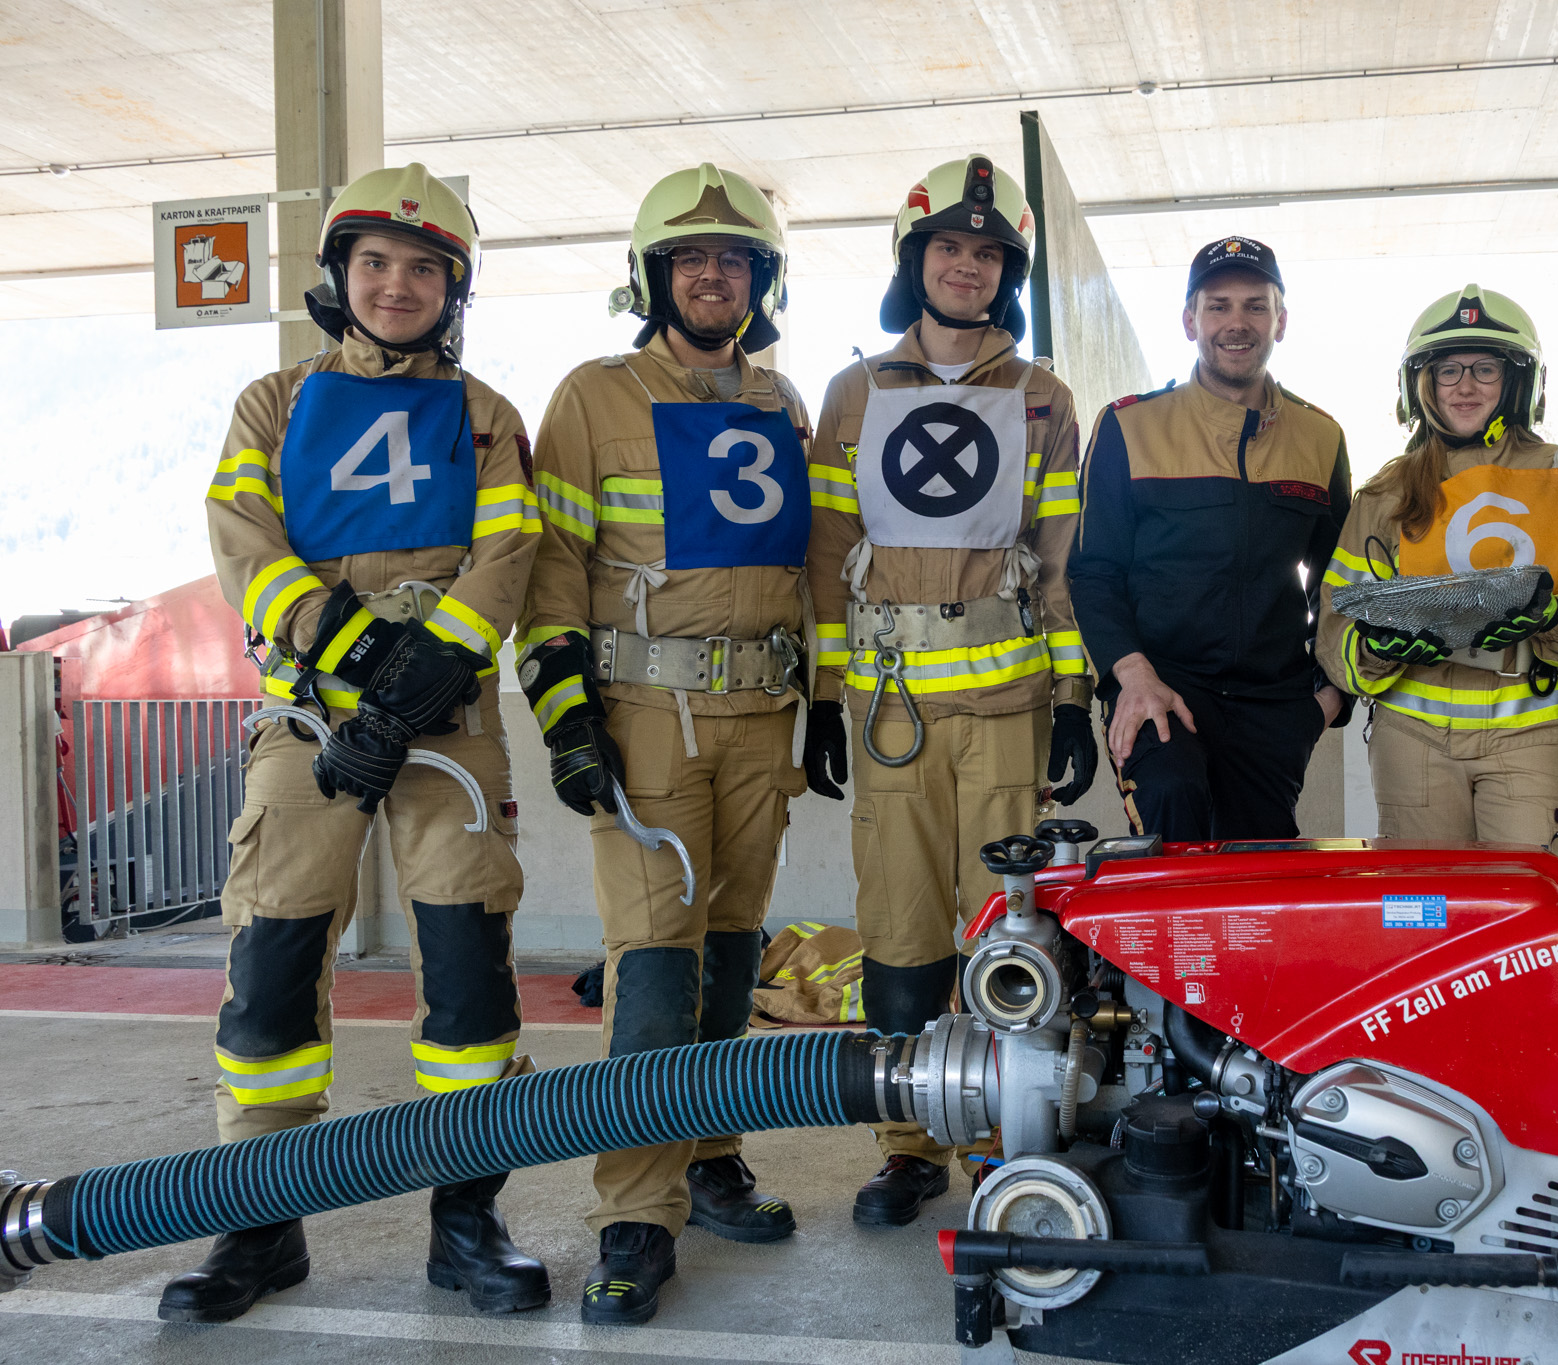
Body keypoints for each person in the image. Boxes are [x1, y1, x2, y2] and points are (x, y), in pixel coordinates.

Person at [171, 163, 546, 1322]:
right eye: (375, 263)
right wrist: (357, 658)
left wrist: (410, 691)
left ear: (453, 289)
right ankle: (260, 1223)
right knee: (271, 969)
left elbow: (507, 558)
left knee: (469, 976)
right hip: (306, 724)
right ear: (339, 274)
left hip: (449, 727)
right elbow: (243, 538)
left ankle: (466, 1223)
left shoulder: (488, 417)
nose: (397, 285)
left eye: (424, 267)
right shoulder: (271, 404)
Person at [516, 164, 817, 1325]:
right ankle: (636, 1214)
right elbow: (552, 567)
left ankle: (710, 1153)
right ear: (652, 276)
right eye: (690, 259)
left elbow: (808, 564)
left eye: (734, 260)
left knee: (732, 954)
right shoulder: (593, 398)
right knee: (652, 963)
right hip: (647, 721)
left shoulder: (783, 405)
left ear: (760, 280)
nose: (712, 277)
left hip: (761, 718)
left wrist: (825, 703)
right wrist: (564, 711)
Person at [805, 154, 1095, 1226]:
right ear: (913, 259)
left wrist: (1074, 697)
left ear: (1007, 274)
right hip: (890, 714)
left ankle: (997, 1141)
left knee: (1008, 934)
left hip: (1009, 711)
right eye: (948, 247)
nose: (967, 266)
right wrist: (822, 696)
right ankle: (906, 1146)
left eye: (988, 252)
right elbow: (824, 553)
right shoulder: (853, 394)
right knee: (899, 935)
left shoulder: (1043, 398)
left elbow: (1060, 560)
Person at [1315, 285, 1558, 876]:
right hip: (1413, 739)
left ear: (1518, 383)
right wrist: (1377, 647)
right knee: (1427, 908)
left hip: (1532, 733)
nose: (1465, 386)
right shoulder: (1385, 492)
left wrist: (1553, 618)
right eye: (1448, 370)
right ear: (1421, 386)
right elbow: (1337, 624)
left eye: (1485, 369)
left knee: (1533, 902)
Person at [1069, 236, 1350, 841]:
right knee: (1174, 809)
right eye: (1218, 306)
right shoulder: (1128, 426)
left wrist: (1329, 698)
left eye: (1255, 305)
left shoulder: (1321, 437)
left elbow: (1341, 580)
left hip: (1274, 705)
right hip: (1161, 684)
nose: (1236, 323)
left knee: (1258, 877)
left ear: (1281, 321)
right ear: (1190, 320)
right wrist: (1133, 677)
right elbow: (1093, 573)